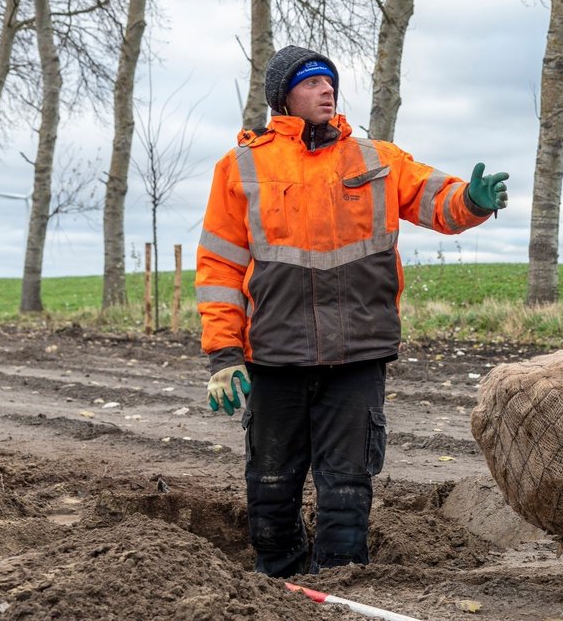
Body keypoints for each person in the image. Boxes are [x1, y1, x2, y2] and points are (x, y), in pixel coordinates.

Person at [196, 44, 509, 577]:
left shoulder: (375, 158)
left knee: (347, 485)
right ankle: (278, 583)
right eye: (312, 82)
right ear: (283, 97)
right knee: (270, 486)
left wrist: (472, 202)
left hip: (357, 354)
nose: (326, 90)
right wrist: (224, 354)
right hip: (274, 356)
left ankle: (344, 583)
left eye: (330, 82)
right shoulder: (241, 167)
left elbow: (438, 199)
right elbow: (219, 267)